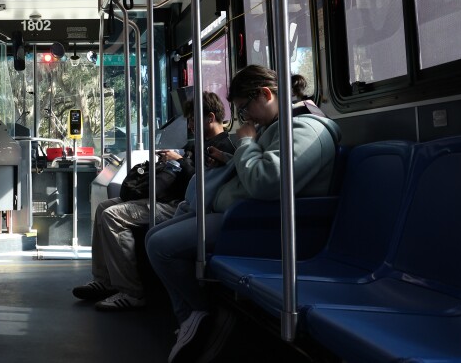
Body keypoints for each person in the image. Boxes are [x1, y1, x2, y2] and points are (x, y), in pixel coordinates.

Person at [145, 65, 341, 361]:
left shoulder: (306, 130)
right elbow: (260, 167)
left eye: (244, 109)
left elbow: (266, 181)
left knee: (161, 246)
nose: (245, 118)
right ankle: (189, 318)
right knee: (154, 236)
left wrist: (246, 143)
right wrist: (230, 156)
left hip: (263, 224)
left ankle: (198, 314)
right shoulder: (278, 128)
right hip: (242, 215)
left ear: (265, 95)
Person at [72, 92, 236, 311]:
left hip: (180, 205)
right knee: (104, 206)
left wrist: (180, 162)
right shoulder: (196, 145)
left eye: (193, 119)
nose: (190, 125)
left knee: (113, 216)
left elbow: (203, 186)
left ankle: (132, 292)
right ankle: (104, 279)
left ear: (210, 117)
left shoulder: (223, 147)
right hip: (169, 198)